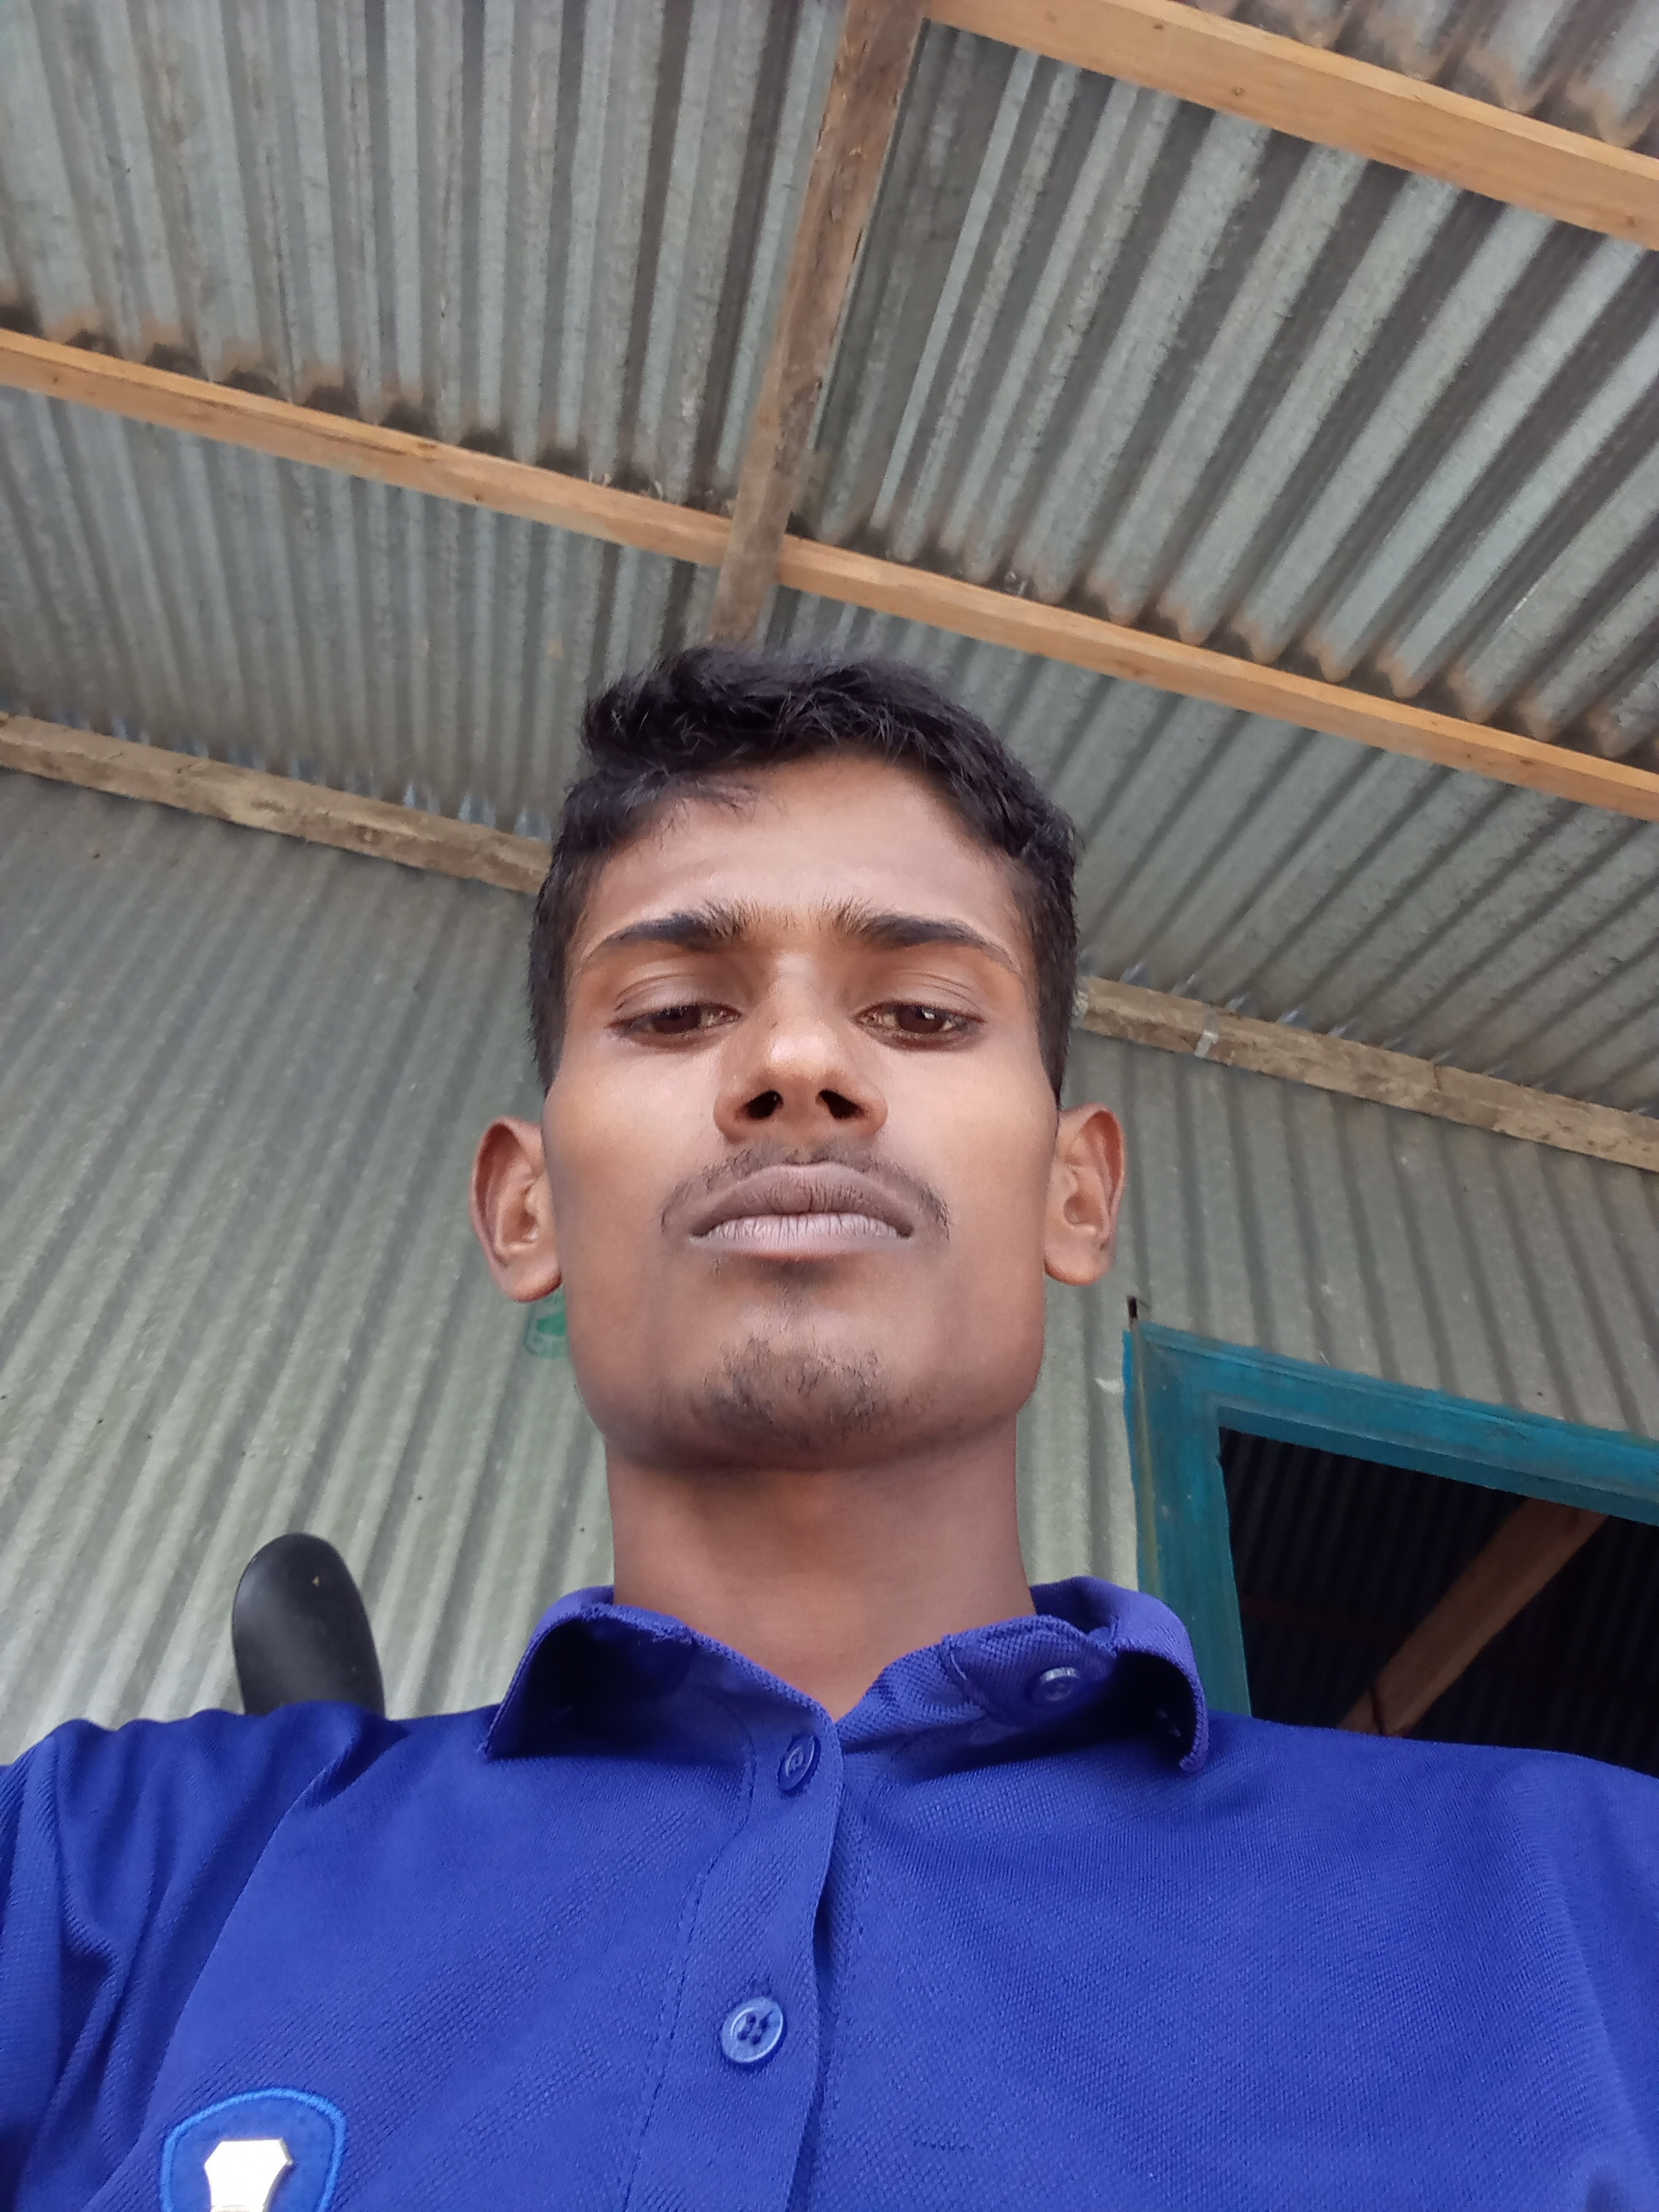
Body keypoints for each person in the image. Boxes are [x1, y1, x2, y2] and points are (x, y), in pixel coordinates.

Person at [2, 648, 1655, 2212]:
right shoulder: (103, 1880)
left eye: (922, 1014)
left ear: (1078, 1193)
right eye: (673, 1012)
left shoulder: (1590, 1907)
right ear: (525, 1206)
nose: (796, 1062)